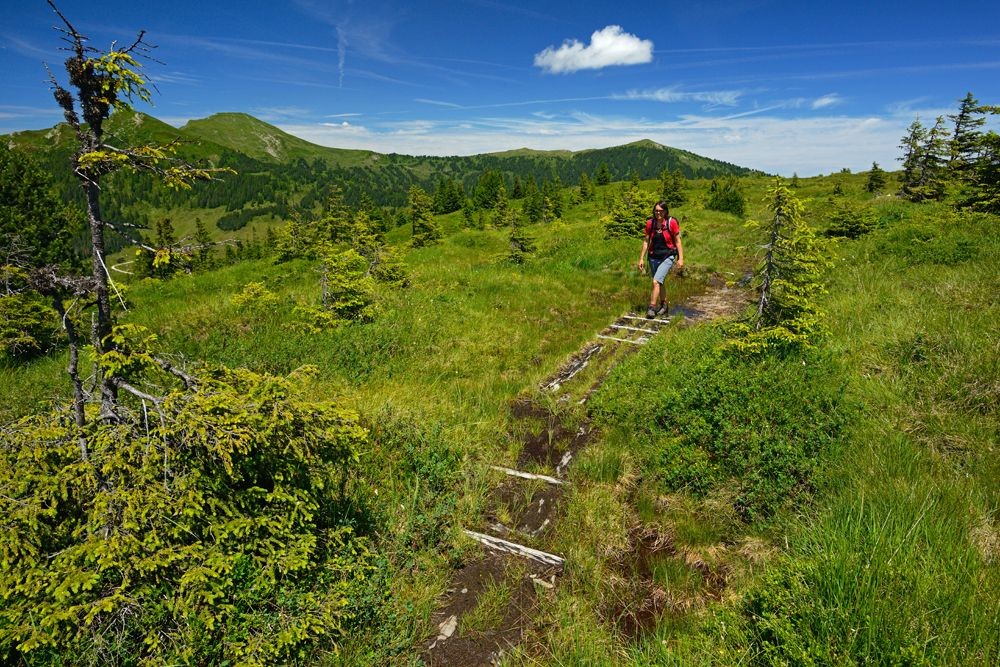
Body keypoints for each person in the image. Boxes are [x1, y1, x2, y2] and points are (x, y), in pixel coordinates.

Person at [637, 201, 684, 318]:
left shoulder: (671, 223)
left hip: (668, 256)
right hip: (653, 256)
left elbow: (677, 242)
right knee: (660, 282)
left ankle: (652, 307)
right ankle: (664, 305)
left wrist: (680, 258)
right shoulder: (650, 224)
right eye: (656, 210)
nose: (658, 212)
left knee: (655, 281)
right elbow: (646, 241)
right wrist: (641, 258)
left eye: (661, 211)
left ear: (665, 211)